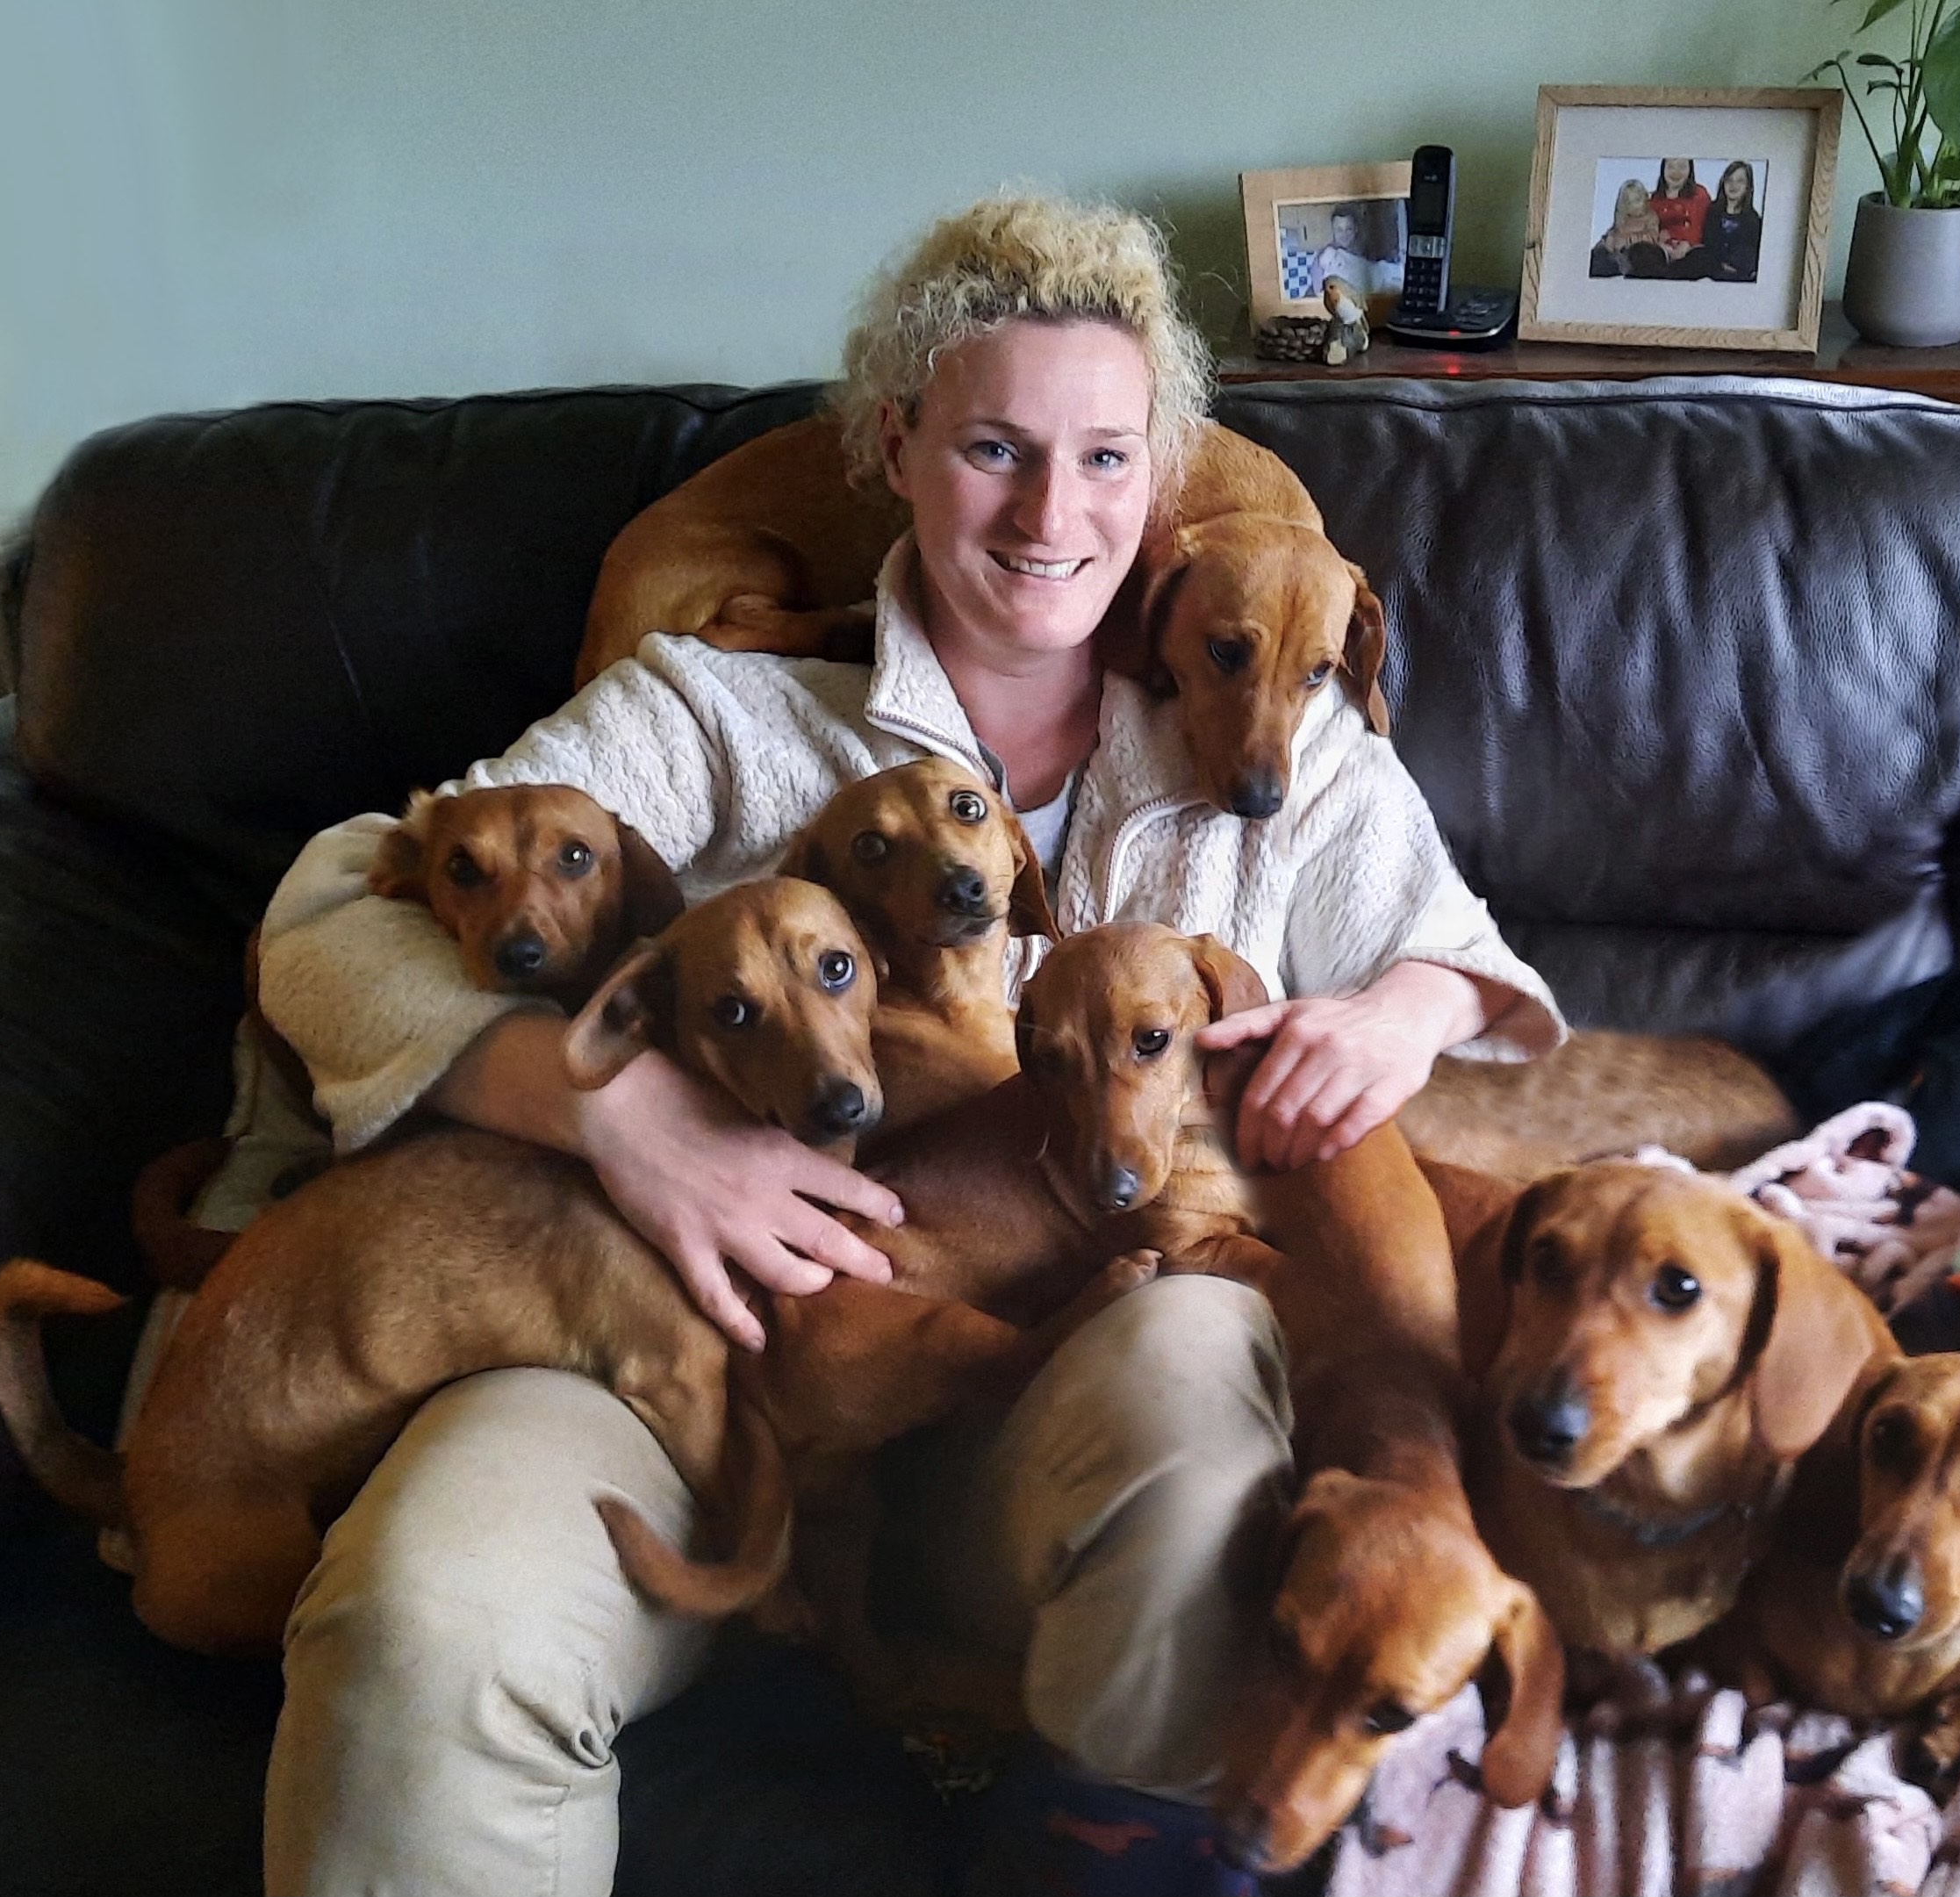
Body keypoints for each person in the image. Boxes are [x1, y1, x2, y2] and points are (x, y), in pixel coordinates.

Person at [246, 191, 1564, 1896]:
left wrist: (1399, 1006)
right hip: (679, 1358)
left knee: (1188, 1368)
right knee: (429, 1611)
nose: (1050, 514)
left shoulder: (1267, 733)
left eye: (1103, 457)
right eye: (993, 449)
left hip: (1047, 1410)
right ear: (893, 446)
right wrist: (606, 1114)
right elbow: (337, 904)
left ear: (1158, 476)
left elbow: (1461, 964)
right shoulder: (711, 709)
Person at [1312, 202, 1404, 300]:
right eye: (1339, 230)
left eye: (1349, 229)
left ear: (1356, 229)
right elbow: (1319, 295)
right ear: (1333, 230)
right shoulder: (1323, 257)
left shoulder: (1366, 250)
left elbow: (1377, 273)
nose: (1344, 235)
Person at [1695, 162, 1763, 283]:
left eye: (1740, 181)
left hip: (1738, 276)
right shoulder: (1712, 212)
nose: (1733, 185)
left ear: (1748, 187)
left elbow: (1751, 255)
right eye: (1729, 180)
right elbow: (1706, 243)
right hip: (1709, 272)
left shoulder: (1754, 221)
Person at [1590, 176, 1666, 277]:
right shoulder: (1622, 218)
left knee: (1643, 255)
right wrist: (1610, 240)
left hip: (1637, 251)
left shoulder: (1651, 217)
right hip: (1618, 252)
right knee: (1598, 255)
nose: (1636, 205)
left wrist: (1634, 238)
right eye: (1630, 202)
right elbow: (1615, 232)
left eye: (1638, 200)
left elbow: (1653, 236)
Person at [1649, 156, 1711, 265]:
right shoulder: (1655, 199)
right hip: (1663, 251)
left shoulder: (1699, 195)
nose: (1676, 172)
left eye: (1682, 167)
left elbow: (1700, 225)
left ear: (1690, 170)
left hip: (1690, 250)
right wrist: (1660, 244)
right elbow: (1650, 227)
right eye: (1671, 167)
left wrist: (1688, 244)